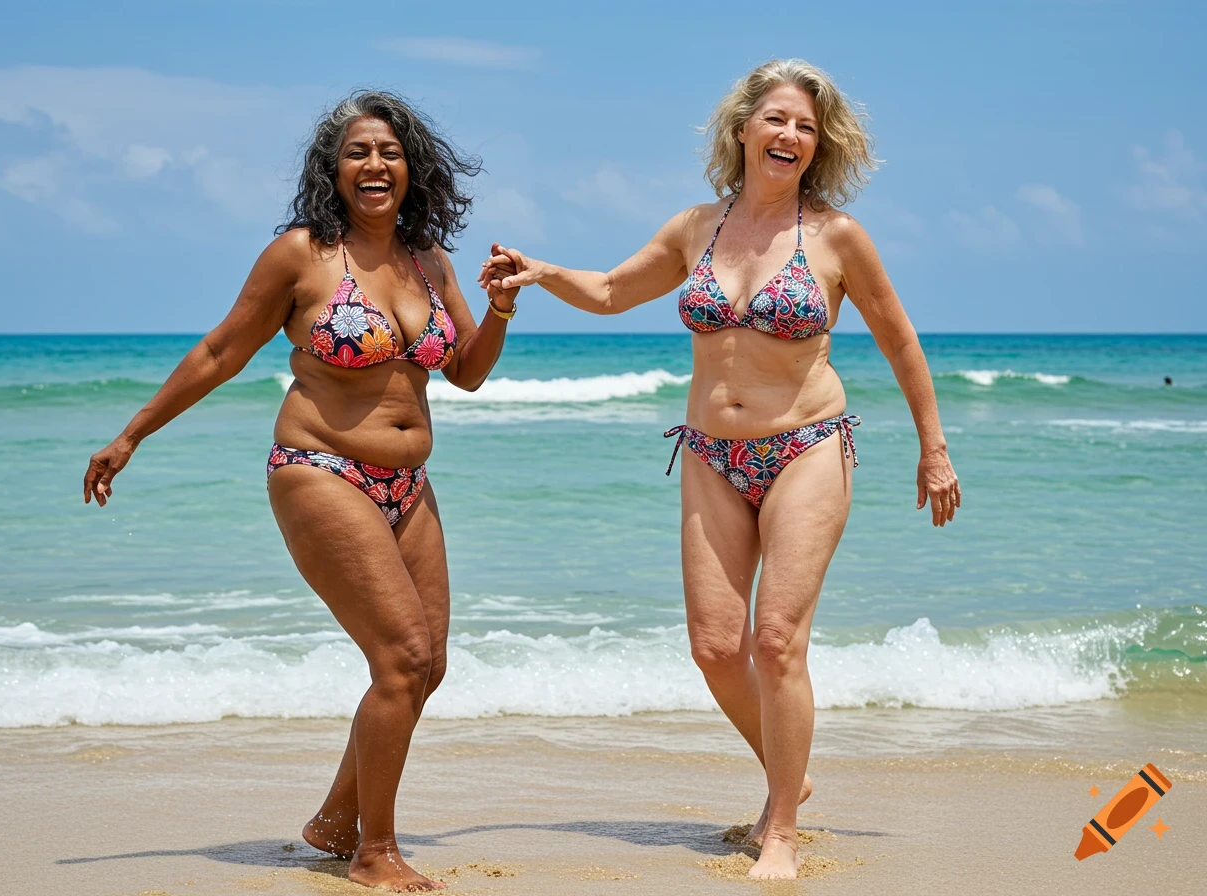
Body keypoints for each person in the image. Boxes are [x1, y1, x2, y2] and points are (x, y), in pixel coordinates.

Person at [480, 59, 960, 879]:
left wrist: (935, 448)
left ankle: (782, 831)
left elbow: (899, 339)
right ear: (742, 129)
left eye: (806, 126)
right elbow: (610, 291)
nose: (790, 135)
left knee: (776, 641)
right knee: (713, 647)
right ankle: (789, 774)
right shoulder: (695, 227)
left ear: (819, 146)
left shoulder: (836, 237)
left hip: (806, 444)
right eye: (777, 119)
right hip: (709, 452)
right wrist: (544, 272)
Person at [85, 90, 519, 892]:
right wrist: (131, 434)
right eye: (357, 152)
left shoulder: (429, 260)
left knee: (427, 667)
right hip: (320, 470)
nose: (375, 165)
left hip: (408, 484)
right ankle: (374, 852)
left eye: (389, 152)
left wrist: (498, 310)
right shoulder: (301, 254)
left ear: (413, 168)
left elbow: (466, 372)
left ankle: (334, 822)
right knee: (402, 658)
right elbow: (220, 351)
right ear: (333, 169)